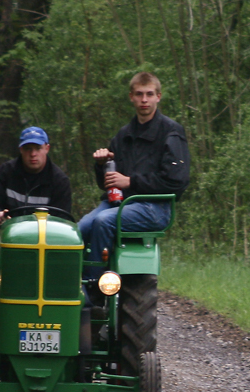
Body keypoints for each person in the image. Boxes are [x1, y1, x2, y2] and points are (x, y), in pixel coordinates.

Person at [78, 72, 190, 287]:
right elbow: (108, 184)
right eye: (139, 94)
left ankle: (94, 289)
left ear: (159, 96)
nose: (144, 100)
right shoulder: (124, 134)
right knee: (81, 227)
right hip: (119, 203)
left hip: (154, 207)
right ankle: (71, 284)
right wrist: (101, 165)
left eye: (149, 94)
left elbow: (177, 182)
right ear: (131, 97)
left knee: (104, 222)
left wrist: (130, 182)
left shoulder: (171, 132)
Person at [0, 126, 72, 243]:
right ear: (20, 149)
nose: (33, 154)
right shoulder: (4, 172)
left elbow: (61, 220)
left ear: (47, 148)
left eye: (38, 148)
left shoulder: (59, 181)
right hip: (7, 241)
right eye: (28, 149)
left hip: (46, 243)